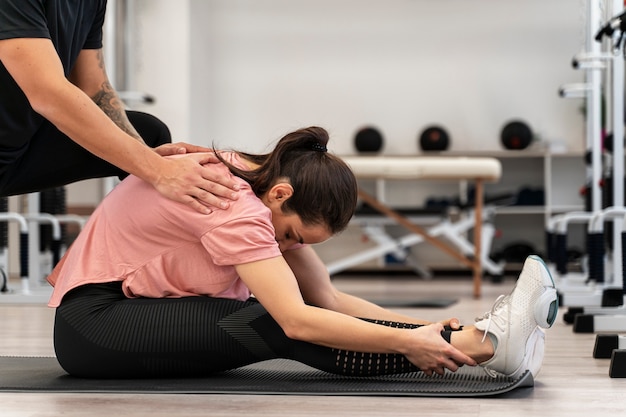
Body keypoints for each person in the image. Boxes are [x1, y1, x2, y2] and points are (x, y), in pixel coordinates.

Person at [46, 126, 558, 379]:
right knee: (270, 322)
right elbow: (296, 320)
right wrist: (415, 344)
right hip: (95, 325)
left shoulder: (257, 182)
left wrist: (429, 330)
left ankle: (481, 337)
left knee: (283, 315)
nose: (286, 246)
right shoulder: (231, 203)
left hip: (129, 316)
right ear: (283, 196)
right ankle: (487, 348)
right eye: (292, 235)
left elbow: (328, 300)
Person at [0, 0, 238, 212]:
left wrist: (148, 158)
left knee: (150, 133)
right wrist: (157, 170)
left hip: (17, 149)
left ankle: (152, 250)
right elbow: (48, 94)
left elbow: (94, 89)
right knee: (153, 166)